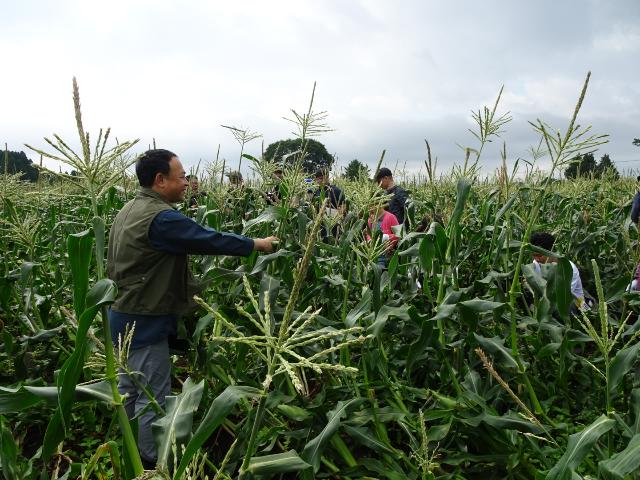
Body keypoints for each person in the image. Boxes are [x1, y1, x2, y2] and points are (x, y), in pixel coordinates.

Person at [106, 149, 277, 468]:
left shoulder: (130, 208)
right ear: (160, 180)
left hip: (120, 316)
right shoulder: (162, 217)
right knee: (152, 400)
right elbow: (209, 239)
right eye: (181, 176)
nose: (187, 182)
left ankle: (129, 457)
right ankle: (152, 465)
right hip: (144, 322)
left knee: (130, 391)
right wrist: (257, 244)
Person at [529, 231, 587, 311]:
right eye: (533, 255)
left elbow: (563, 297)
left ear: (551, 251)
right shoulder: (536, 264)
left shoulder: (568, 268)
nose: (536, 259)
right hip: (548, 302)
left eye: (539, 255)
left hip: (575, 305)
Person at [367, 197, 400, 267]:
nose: (370, 209)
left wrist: (387, 237)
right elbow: (368, 233)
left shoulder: (391, 217)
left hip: (386, 256)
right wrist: (369, 240)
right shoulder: (370, 219)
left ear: (378, 205)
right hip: (373, 255)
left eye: (371, 206)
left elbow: (399, 235)